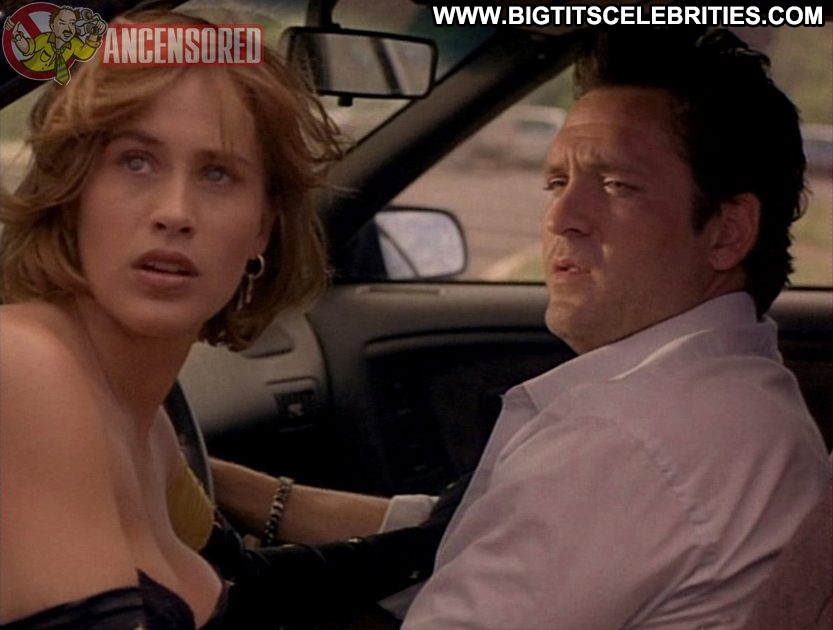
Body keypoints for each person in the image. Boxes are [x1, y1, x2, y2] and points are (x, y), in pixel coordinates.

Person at [0, 9, 450, 629]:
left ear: (262, 227)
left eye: (218, 174)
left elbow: (250, 587)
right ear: (71, 193)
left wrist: (477, 527)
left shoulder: (150, 428)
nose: (175, 211)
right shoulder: (26, 368)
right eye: (136, 161)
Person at [392, 27, 830, 628]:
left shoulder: (631, 437)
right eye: (557, 182)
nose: (560, 217)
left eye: (617, 185)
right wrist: (273, 498)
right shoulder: (740, 401)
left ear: (728, 232)